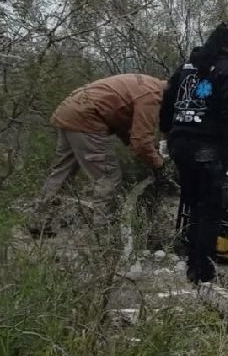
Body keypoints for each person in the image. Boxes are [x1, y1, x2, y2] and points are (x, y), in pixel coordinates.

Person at [31, 73, 167, 237]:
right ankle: (103, 233)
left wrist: (135, 144)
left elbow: (121, 120)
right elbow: (141, 142)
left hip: (69, 110)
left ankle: (38, 222)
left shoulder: (146, 83)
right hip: (86, 118)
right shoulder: (151, 96)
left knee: (61, 173)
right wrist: (159, 164)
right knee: (108, 176)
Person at [159, 23, 228, 284]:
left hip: (179, 144)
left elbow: (167, 102)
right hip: (206, 148)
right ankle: (202, 272)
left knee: (191, 202)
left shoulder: (186, 68)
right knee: (210, 209)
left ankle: (189, 257)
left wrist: (165, 136)